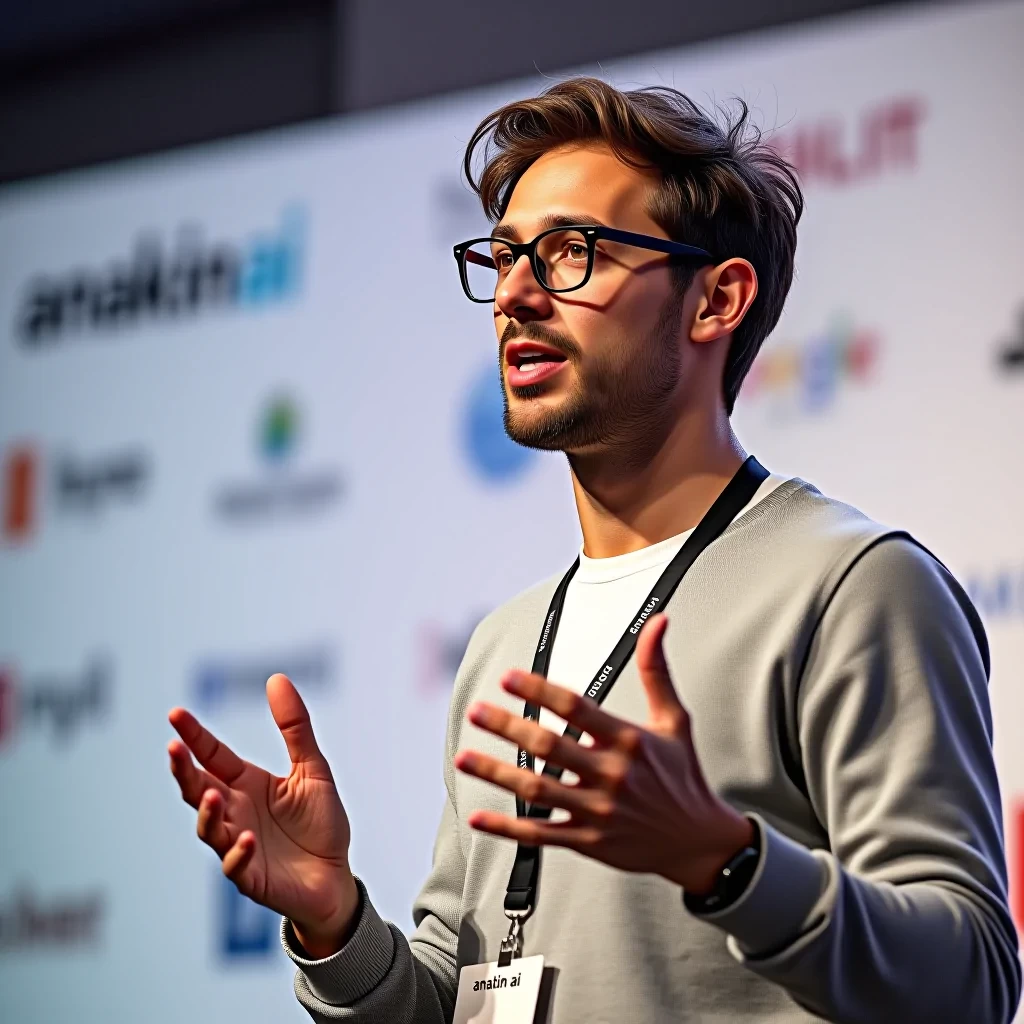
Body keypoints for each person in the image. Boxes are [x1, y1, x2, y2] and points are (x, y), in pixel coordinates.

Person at [167, 78, 1022, 1023]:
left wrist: (727, 861)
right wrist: (335, 926)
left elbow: (971, 983)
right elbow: (455, 997)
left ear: (716, 299)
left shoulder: (853, 588)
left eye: (572, 251)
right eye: (504, 257)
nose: (514, 295)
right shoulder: (503, 643)